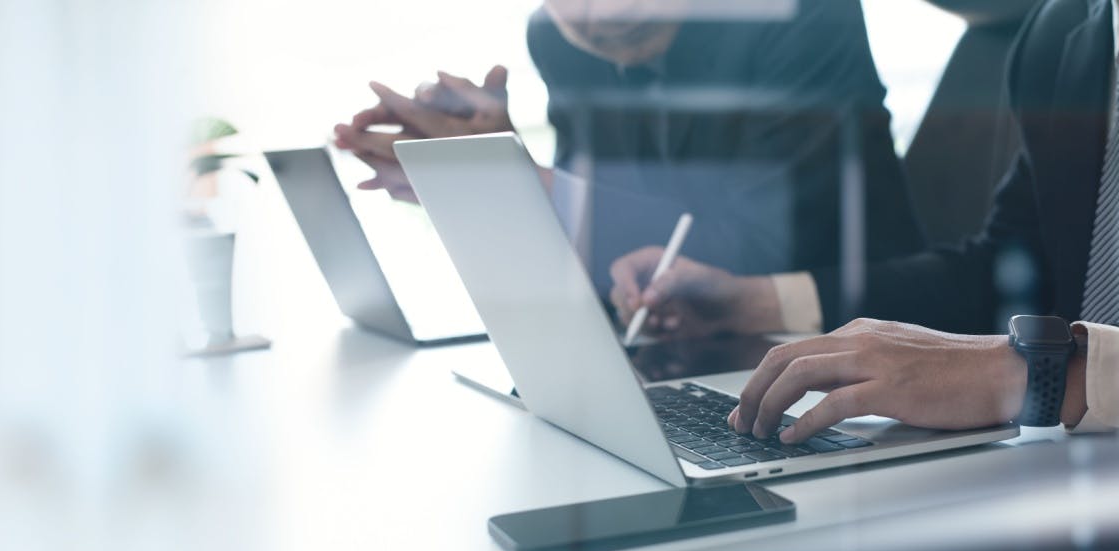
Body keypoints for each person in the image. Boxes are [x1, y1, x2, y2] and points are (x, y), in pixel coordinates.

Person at [610, 0, 1119, 441]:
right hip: (1066, 459)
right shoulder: (1070, 33)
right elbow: (999, 272)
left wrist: (1035, 375)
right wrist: (751, 302)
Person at [334, 0, 925, 297]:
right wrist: (489, 170)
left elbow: (762, 255)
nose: (598, 16)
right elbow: (597, 250)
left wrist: (515, 182)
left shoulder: (798, 14)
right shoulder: (557, 38)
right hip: (678, 355)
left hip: (841, 339)